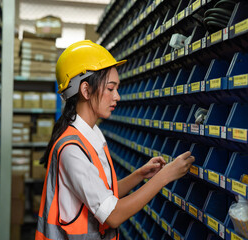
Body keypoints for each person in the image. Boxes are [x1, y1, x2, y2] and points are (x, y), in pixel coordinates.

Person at [35, 40, 195, 240]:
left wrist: (139, 175)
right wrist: (165, 177)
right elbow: (113, 215)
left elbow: (102, 193)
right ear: (85, 90)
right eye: (110, 89)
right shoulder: (72, 150)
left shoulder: (91, 134)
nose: (117, 96)